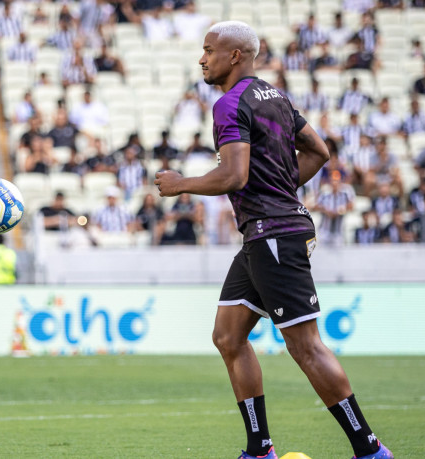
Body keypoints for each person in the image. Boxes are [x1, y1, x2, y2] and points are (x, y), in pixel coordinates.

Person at [153, 21, 392, 459]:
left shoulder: (229, 103)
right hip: (265, 232)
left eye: (209, 50)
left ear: (235, 55)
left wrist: (181, 183)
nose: (202, 58)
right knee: (228, 336)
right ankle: (259, 449)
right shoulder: (276, 97)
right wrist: (281, 191)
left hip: (274, 234)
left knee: (305, 345)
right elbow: (319, 152)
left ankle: (371, 450)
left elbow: (234, 175)